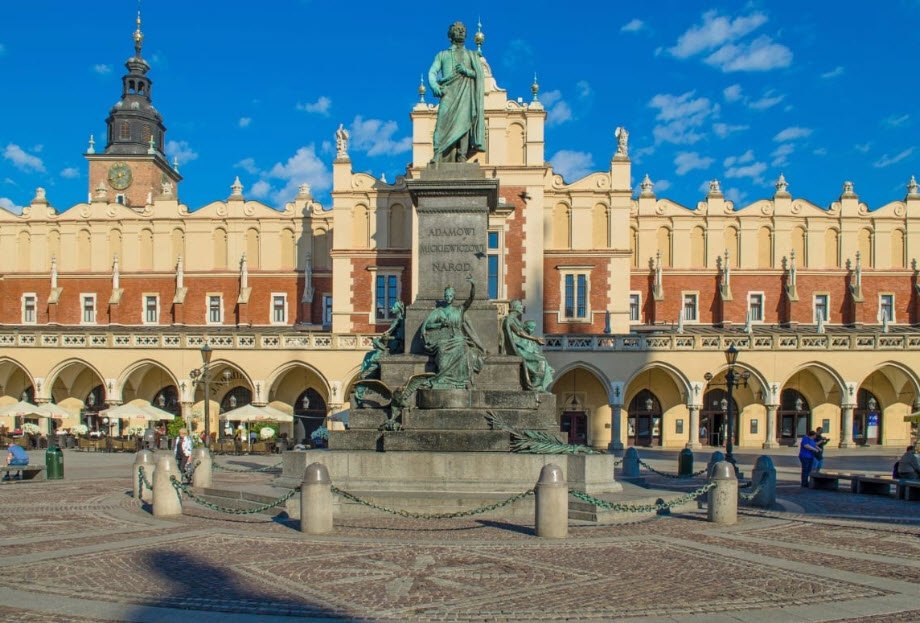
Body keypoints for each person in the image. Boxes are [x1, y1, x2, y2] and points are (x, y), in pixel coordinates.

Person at [427, 21, 485, 163]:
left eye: (463, 30)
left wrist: (466, 71)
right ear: (450, 35)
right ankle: (437, 154)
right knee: (441, 124)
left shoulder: (471, 55)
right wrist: (434, 86)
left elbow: (479, 75)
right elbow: (432, 72)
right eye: (457, 30)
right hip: (448, 93)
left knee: (464, 124)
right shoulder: (442, 55)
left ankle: (462, 156)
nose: (461, 32)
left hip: (465, 94)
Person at [421, 276, 485, 388]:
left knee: (464, 348)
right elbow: (427, 326)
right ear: (444, 297)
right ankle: (442, 378)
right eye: (446, 295)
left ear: (453, 297)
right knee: (441, 350)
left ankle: (461, 381)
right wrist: (440, 324)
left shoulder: (459, 310)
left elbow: (471, 299)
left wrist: (473, 285)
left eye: (450, 295)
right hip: (444, 339)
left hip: (459, 338)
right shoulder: (439, 311)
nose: (448, 297)